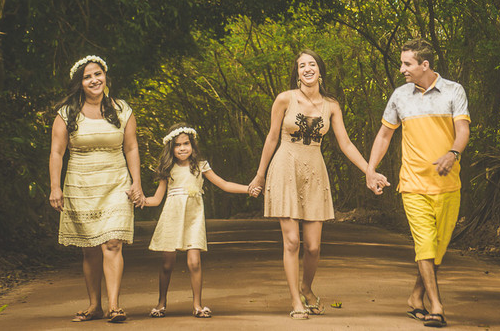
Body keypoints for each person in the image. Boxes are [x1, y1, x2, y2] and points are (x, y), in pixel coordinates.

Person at [249, 49, 389, 320]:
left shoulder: (331, 105)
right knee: (292, 242)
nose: (307, 69)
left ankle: (306, 288)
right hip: (285, 166)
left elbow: (345, 143)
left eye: (312, 64)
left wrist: (369, 172)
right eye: (302, 66)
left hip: (314, 170)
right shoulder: (284, 99)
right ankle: (296, 301)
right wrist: (260, 174)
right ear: (297, 72)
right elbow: (271, 137)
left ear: (320, 70)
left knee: (313, 246)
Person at [365, 38, 470, 329]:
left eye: (407, 64)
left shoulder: (453, 91)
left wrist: (453, 153)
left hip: (448, 184)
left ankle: (415, 297)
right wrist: (370, 169)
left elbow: (462, 130)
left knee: (437, 250)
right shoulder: (400, 96)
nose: (402, 69)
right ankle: (436, 306)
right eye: (402, 63)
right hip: (412, 184)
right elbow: (384, 135)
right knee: (424, 244)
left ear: (425, 65)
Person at [48, 55, 145, 324]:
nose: (94, 80)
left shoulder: (122, 109)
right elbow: (57, 152)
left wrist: (136, 182)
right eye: (88, 76)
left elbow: (131, 147)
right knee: (89, 247)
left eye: (98, 74)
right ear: (80, 83)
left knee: (112, 242)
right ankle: (95, 306)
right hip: (81, 184)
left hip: (116, 181)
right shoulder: (66, 113)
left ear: (106, 76)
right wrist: (55, 187)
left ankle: (114, 306)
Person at [142, 123, 251, 318]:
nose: (182, 148)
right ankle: (161, 303)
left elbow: (224, 184)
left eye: (186, 143)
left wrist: (248, 188)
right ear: (171, 148)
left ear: (192, 145)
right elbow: (157, 199)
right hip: (172, 217)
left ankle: (197, 305)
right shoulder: (168, 168)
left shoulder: (201, 165)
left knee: (195, 262)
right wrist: (141, 200)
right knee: (167, 264)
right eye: (177, 145)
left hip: (193, 218)